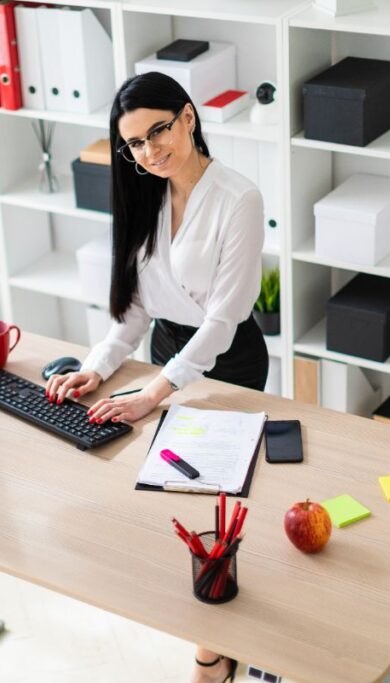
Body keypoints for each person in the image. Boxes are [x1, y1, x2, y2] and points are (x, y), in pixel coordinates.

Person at [44, 71, 268, 683]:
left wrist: (151, 393)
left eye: (158, 132)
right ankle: (216, 633)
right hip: (168, 350)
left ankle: (218, 650)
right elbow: (135, 311)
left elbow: (223, 321)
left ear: (188, 118)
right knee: (175, 501)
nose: (148, 152)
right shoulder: (146, 193)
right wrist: (94, 369)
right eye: (134, 144)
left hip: (229, 362)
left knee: (221, 506)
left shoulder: (239, 199)